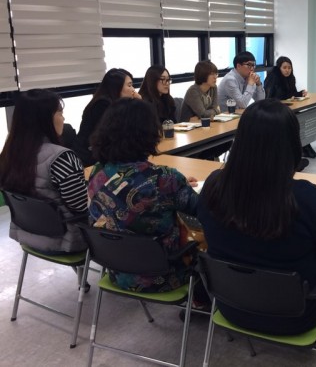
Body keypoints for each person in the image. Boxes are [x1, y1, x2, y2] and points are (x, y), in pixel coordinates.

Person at [197, 99, 316, 334]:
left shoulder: (214, 186)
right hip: (297, 316)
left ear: (240, 141)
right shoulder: (307, 198)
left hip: (231, 306)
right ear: (292, 144)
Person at [87, 98, 207, 302]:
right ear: (149, 133)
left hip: (117, 270)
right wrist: (181, 186)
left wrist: (177, 186)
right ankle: (201, 302)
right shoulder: (165, 179)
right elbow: (202, 210)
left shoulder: (98, 172)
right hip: (165, 274)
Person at [0, 89, 88, 253]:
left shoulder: (9, 153)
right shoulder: (62, 157)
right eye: (60, 113)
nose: (63, 118)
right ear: (45, 119)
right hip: (67, 240)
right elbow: (80, 206)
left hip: (28, 234)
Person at [76, 68, 141, 166]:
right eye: (129, 85)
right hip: (90, 157)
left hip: (105, 155)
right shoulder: (102, 104)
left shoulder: (117, 104)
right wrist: (138, 104)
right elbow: (115, 135)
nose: (133, 90)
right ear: (116, 87)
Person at [265, 56, 316, 159]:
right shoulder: (273, 78)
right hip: (274, 110)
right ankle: (301, 148)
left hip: (286, 109)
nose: (287, 70)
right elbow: (270, 97)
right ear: (279, 68)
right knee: (296, 120)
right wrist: (288, 97)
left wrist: (300, 93)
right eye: (284, 68)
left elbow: (291, 94)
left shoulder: (291, 78)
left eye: (289, 68)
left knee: (301, 118)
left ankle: (303, 147)